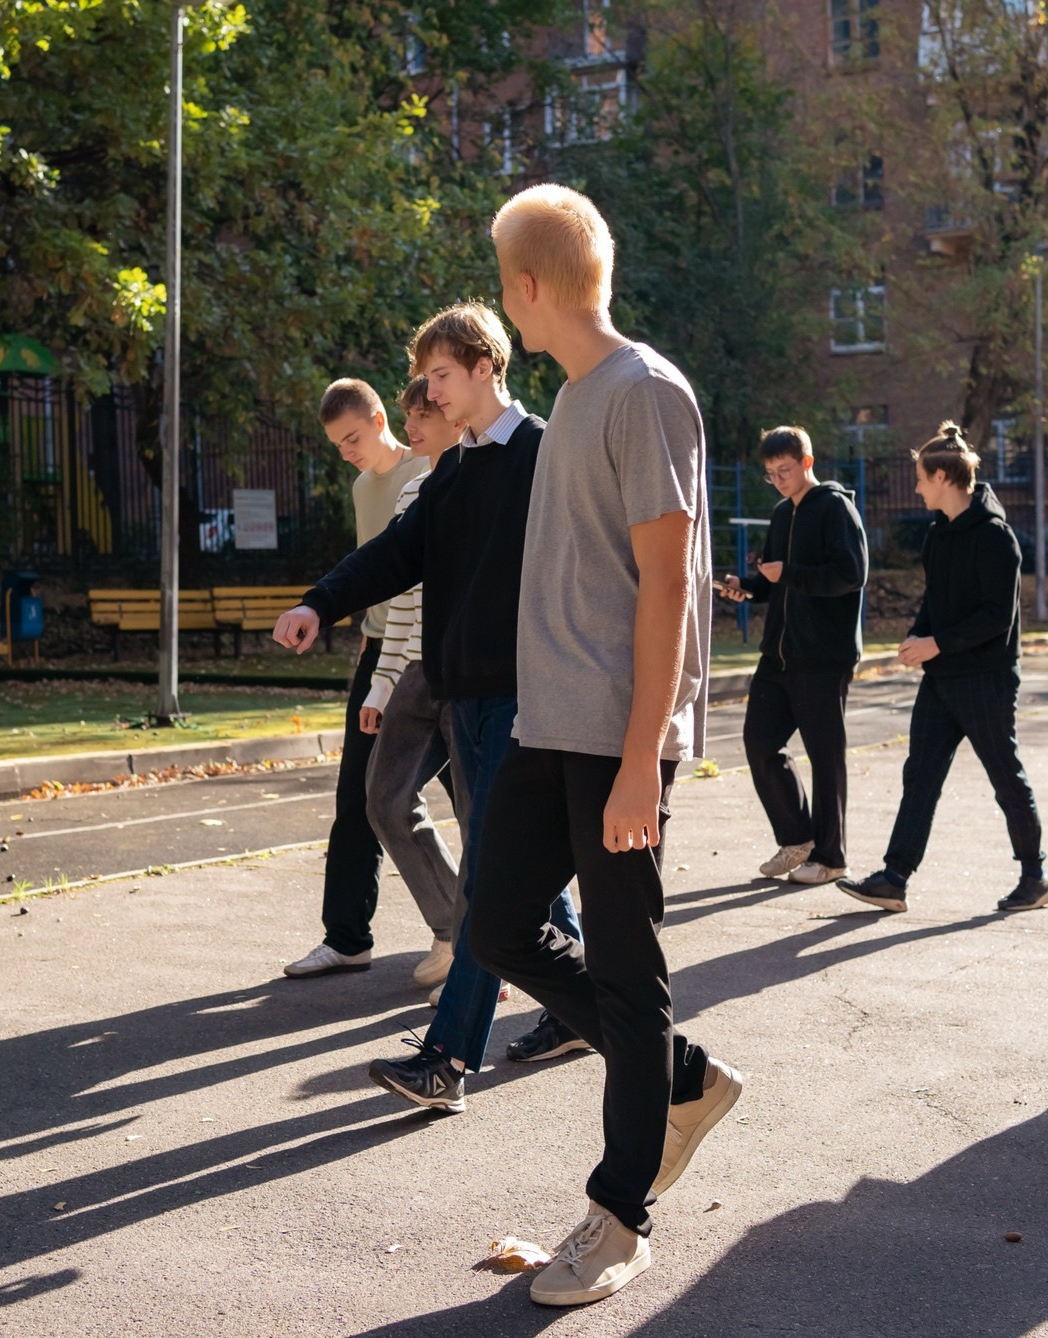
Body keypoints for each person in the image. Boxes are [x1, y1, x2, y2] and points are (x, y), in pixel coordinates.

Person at [456, 184, 741, 1309]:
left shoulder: (642, 391)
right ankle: (673, 1080)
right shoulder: (576, 397)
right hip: (548, 723)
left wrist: (641, 759)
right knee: (494, 924)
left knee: (627, 976)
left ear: (525, 287)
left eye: (498, 278)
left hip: (616, 736)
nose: (500, 298)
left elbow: (669, 583)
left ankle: (620, 1218)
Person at [272, 300, 589, 1100]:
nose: (431, 391)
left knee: (490, 878)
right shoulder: (456, 469)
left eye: (442, 375)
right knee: (508, 876)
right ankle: (583, 1005)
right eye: (426, 379)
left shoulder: (548, 454)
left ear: (487, 367)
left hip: (526, 701)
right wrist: (320, 602)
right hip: (464, 698)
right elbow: (396, 554)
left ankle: (449, 1058)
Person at [837, 423, 1048, 915]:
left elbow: (997, 618)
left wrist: (937, 643)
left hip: (986, 678)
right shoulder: (938, 535)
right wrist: (918, 638)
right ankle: (894, 878)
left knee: (1004, 775)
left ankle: (1034, 876)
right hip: (942, 678)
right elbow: (936, 601)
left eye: (919, 479)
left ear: (941, 477)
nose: (915, 488)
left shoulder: (997, 538)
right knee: (921, 774)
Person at [281, 380, 430, 980]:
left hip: (428, 655)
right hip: (378, 653)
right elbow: (372, 569)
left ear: (377, 419)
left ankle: (484, 936)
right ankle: (346, 938)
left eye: (352, 438)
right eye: (336, 444)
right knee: (357, 798)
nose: (346, 450)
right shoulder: (361, 486)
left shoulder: (429, 466)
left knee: (474, 802)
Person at [720, 426, 867, 889]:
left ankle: (831, 858)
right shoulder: (783, 513)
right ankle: (797, 838)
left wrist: (792, 573)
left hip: (823, 657)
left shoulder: (836, 507)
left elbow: (851, 574)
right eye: (770, 474)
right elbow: (776, 578)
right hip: (778, 654)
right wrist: (749, 586)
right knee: (759, 741)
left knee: (826, 758)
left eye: (784, 470)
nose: (779, 480)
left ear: (807, 462)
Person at [359, 376, 461, 993]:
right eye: (410, 416)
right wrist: (381, 685)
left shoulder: (498, 479)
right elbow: (400, 604)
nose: (413, 426)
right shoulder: (414, 494)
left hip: (477, 676)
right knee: (386, 800)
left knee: (492, 824)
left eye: (424, 414)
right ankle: (454, 928)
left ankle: (526, 951)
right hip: (419, 676)